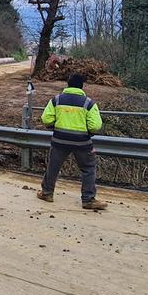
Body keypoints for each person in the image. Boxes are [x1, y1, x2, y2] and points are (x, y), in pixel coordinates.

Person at [37, 73, 108, 210]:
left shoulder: (56, 100)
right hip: (82, 143)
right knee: (88, 168)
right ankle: (88, 200)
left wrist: (55, 127)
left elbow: (46, 119)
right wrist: (88, 133)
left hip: (59, 140)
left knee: (53, 167)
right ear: (82, 86)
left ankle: (47, 193)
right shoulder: (88, 103)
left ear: (67, 84)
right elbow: (96, 126)